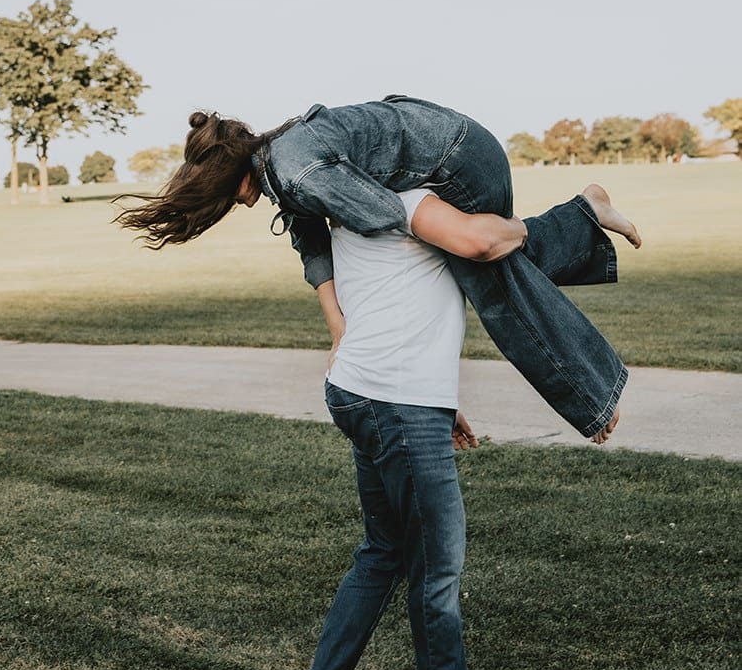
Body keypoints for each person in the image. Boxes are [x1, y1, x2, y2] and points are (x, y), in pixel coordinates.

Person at [284, 182, 640, 670]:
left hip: (358, 393)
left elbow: (402, 307)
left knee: (382, 550)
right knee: (437, 570)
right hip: (398, 400)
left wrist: (438, 406)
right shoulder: (409, 203)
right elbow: (484, 246)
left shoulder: (350, 209)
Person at [114, 96, 641, 441]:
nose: (228, 210)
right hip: (448, 141)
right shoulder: (278, 163)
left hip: (460, 159)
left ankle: (592, 395)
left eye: (219, 203)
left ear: (229, 182)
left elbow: (381, 213)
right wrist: (340, 329)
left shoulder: (294, 170)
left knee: (489, 273)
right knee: (484, 255)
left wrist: (465, 236)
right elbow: (310, 239)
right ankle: (584, 214)